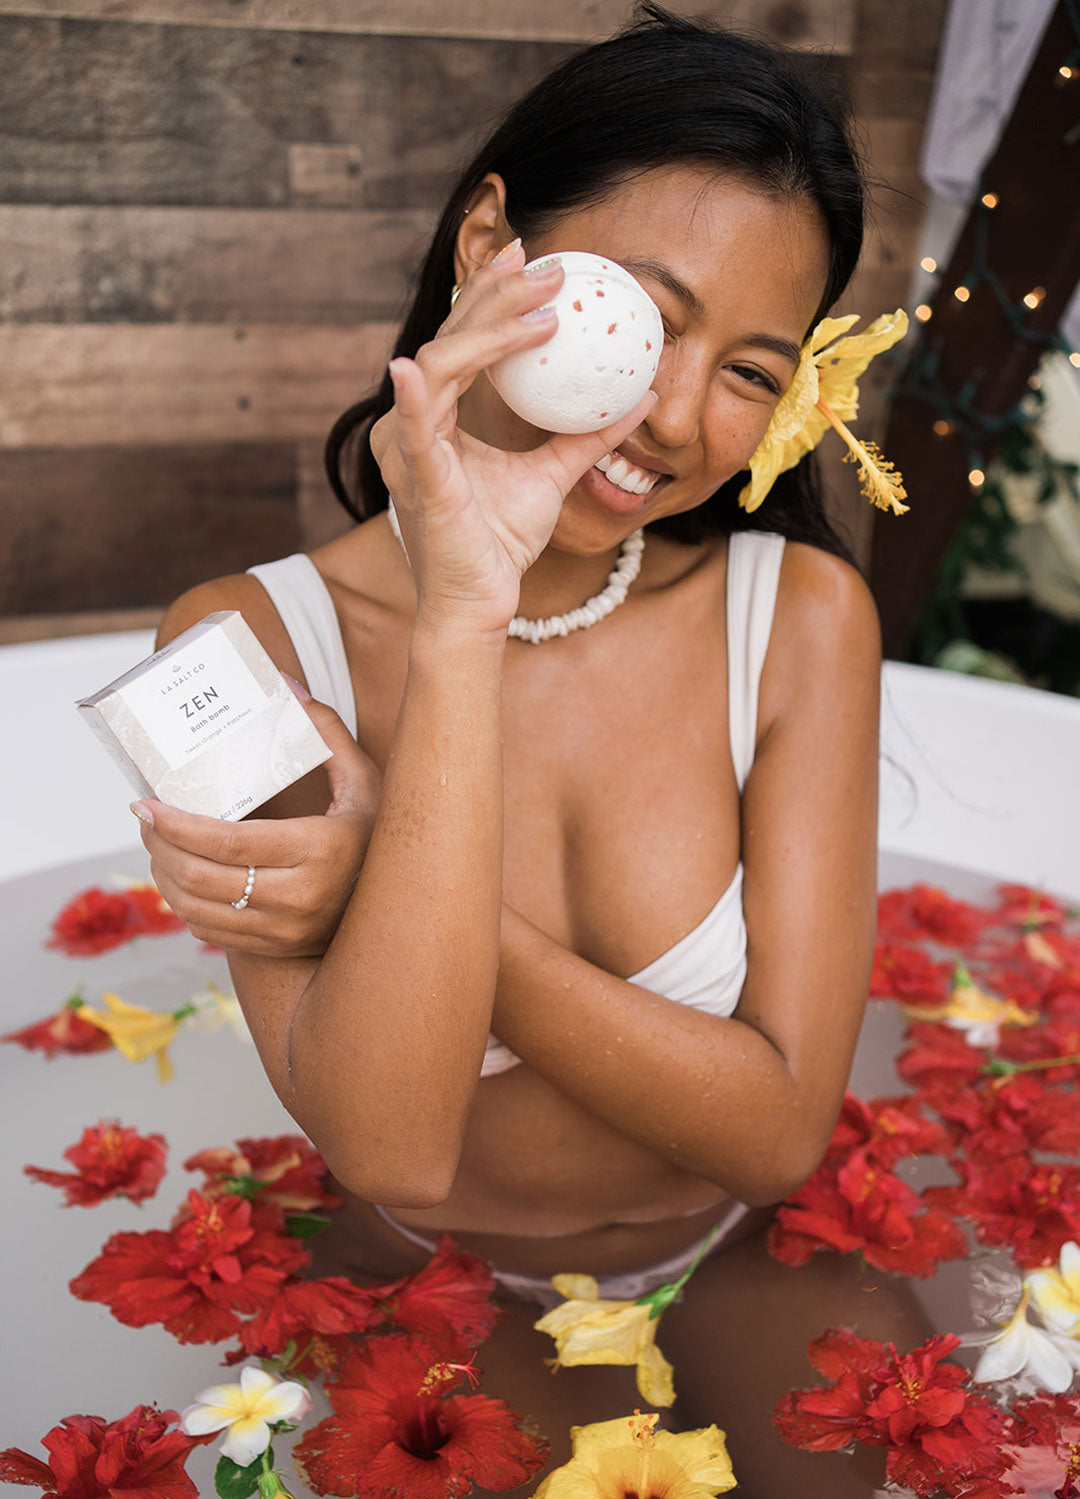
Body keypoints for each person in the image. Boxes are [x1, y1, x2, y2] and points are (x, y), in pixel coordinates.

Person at [133, 7, 921, 1490]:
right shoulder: (241, 651)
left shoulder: (797, 616)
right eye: (649, 318)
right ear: (492, 243)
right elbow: (399, 1149)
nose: (678, 417)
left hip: (734, 1246)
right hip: (421, 1263)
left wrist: (389, 880)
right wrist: (460, 617)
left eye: (752, 368)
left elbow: (772, 1136)